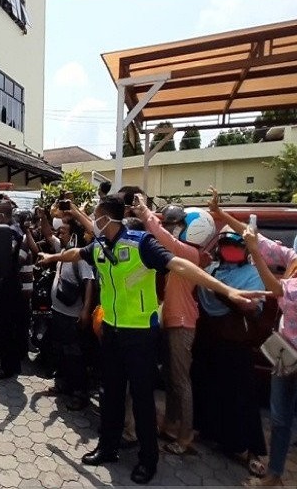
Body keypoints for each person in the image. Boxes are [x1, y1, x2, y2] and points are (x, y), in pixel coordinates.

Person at [37, 194, 268, 485]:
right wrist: (53, 258)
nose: (94, 220)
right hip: (111, 331)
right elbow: (76, 254)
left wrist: (227, 289)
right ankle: (107, 447)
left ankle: (148, 460)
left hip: (140, 335)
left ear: (107, 218)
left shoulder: (141, 243)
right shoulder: (99, 246)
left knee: (143, 400)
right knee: (111, 394)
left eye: (96, 215)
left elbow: (180, 264)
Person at [131, 199, 214, 455]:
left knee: (180, 381)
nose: (173, 228)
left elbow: (165, 239)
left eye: (177, 225)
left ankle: (185, 436)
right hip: (172, 320)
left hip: (181, 323)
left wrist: (146, 214)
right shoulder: (189, 252)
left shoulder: (189, 253)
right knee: (170, 378)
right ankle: (170, 425)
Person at [192, 229, 267, 478]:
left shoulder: (252, 274)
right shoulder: (212, 268)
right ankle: (209, 432)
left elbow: (253, 308)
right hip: (208, 338)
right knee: (207, 386)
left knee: (242, 396)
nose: (229, 250)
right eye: (225, 245)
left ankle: (252, 451)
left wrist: (225, 293)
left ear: (245, 250)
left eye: (235, 246)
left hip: (235, 344)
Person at [243, 226, 297, 487]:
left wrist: (254, 251)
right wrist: (223, 215)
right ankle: (274, 474)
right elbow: (265, 242)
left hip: (287, 354)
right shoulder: (293, 260)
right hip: (285, 354)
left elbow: (277, 289)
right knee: (279, 418)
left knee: (282, 417)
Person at [42, 218, 96, 411]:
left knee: (74, 356)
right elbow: (48, 234)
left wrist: (85, 310)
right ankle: (63, 384)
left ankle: (79, 394)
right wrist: (43, 216)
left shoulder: (79, 256)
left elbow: (89, 281)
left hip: (72, 316)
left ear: (73, 235)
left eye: (63, 232)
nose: (59, 234)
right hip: (58, 312)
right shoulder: (63, 251)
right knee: (60, 352)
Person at [0, 200, 28, 380]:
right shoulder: (13, 228)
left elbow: (7, 253)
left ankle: (6, 367)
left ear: (2, 216)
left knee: (5, 326)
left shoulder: (10, 232)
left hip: (9, 285)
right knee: (10, 326)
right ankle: (13, 364)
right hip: (10, 284)